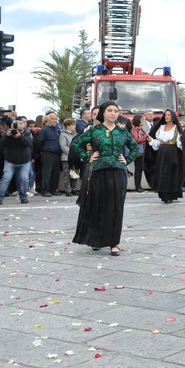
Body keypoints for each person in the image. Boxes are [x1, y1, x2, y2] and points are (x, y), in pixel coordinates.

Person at [71, 102, 137, 256]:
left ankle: (114, 243)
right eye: (110, 110)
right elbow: (76, 144)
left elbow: (134, 147)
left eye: (115, 111)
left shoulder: (122, 131)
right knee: (98, 206)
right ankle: (97, 240)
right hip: (99, 171)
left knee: (116, 207)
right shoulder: (95, 130)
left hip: (118, 172)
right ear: (103, 113)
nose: (113, 113)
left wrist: (127, 159)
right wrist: (87, 157)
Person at [149, 109, 185, 204]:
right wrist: (151, 141)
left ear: (172, 117)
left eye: (169, 115)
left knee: (171, 173)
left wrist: (182, 140)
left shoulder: (176, 128)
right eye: (166, 115)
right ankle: (163, 194)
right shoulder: (161, 127)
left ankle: (171, 194)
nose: (167, 117)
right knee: (162, 173)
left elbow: (180, 143)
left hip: (173, 152)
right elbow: (158, 142)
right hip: (162, 153)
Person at [0, 117, 33, 205]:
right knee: (6, 178)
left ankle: (23, 196)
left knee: (24, 179)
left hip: (24, 161)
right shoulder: (8, 133)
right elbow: (1, 145)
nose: (17, 129)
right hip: (10, 160)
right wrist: (7, 136)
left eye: (20, 125)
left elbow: (28, 143)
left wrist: (20, 136)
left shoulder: (27, 133)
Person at [128, 114, 149, 191]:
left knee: (140, 169)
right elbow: (136, 140)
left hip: (142, 151)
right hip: (138, 152)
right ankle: (138, 186)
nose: (144, 121)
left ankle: (139, 185)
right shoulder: (134, 130)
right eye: (142, 120)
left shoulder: (140, 129)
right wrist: (145, 136)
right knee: (138, 169)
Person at [59, 118, 79, 197]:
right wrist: (71, 153)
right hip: (66, 157)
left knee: (75, 173)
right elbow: (63, 146)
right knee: (67, 174)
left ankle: (74, 189)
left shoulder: (76, 134)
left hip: (75, 157)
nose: (74, 126)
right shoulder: (63, 135)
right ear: (67, 126)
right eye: (72, 125)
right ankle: (68, 190)